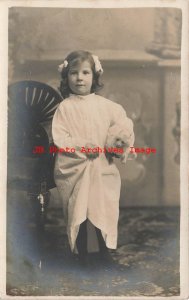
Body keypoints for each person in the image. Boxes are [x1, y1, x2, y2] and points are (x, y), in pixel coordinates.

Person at [52, 50, 134, 267]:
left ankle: (103, 253)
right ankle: (83, 255)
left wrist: (118, 140)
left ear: (94, 76)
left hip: (101, 167)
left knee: (101, 206)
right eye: (74, 73)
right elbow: (61, 137)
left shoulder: (106, 106)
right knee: (79, 209)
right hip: (75, 166)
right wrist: (81, 146)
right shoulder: (65, 108)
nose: (79, 78)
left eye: (85, 72)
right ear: (66, 77)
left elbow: (122, 125)